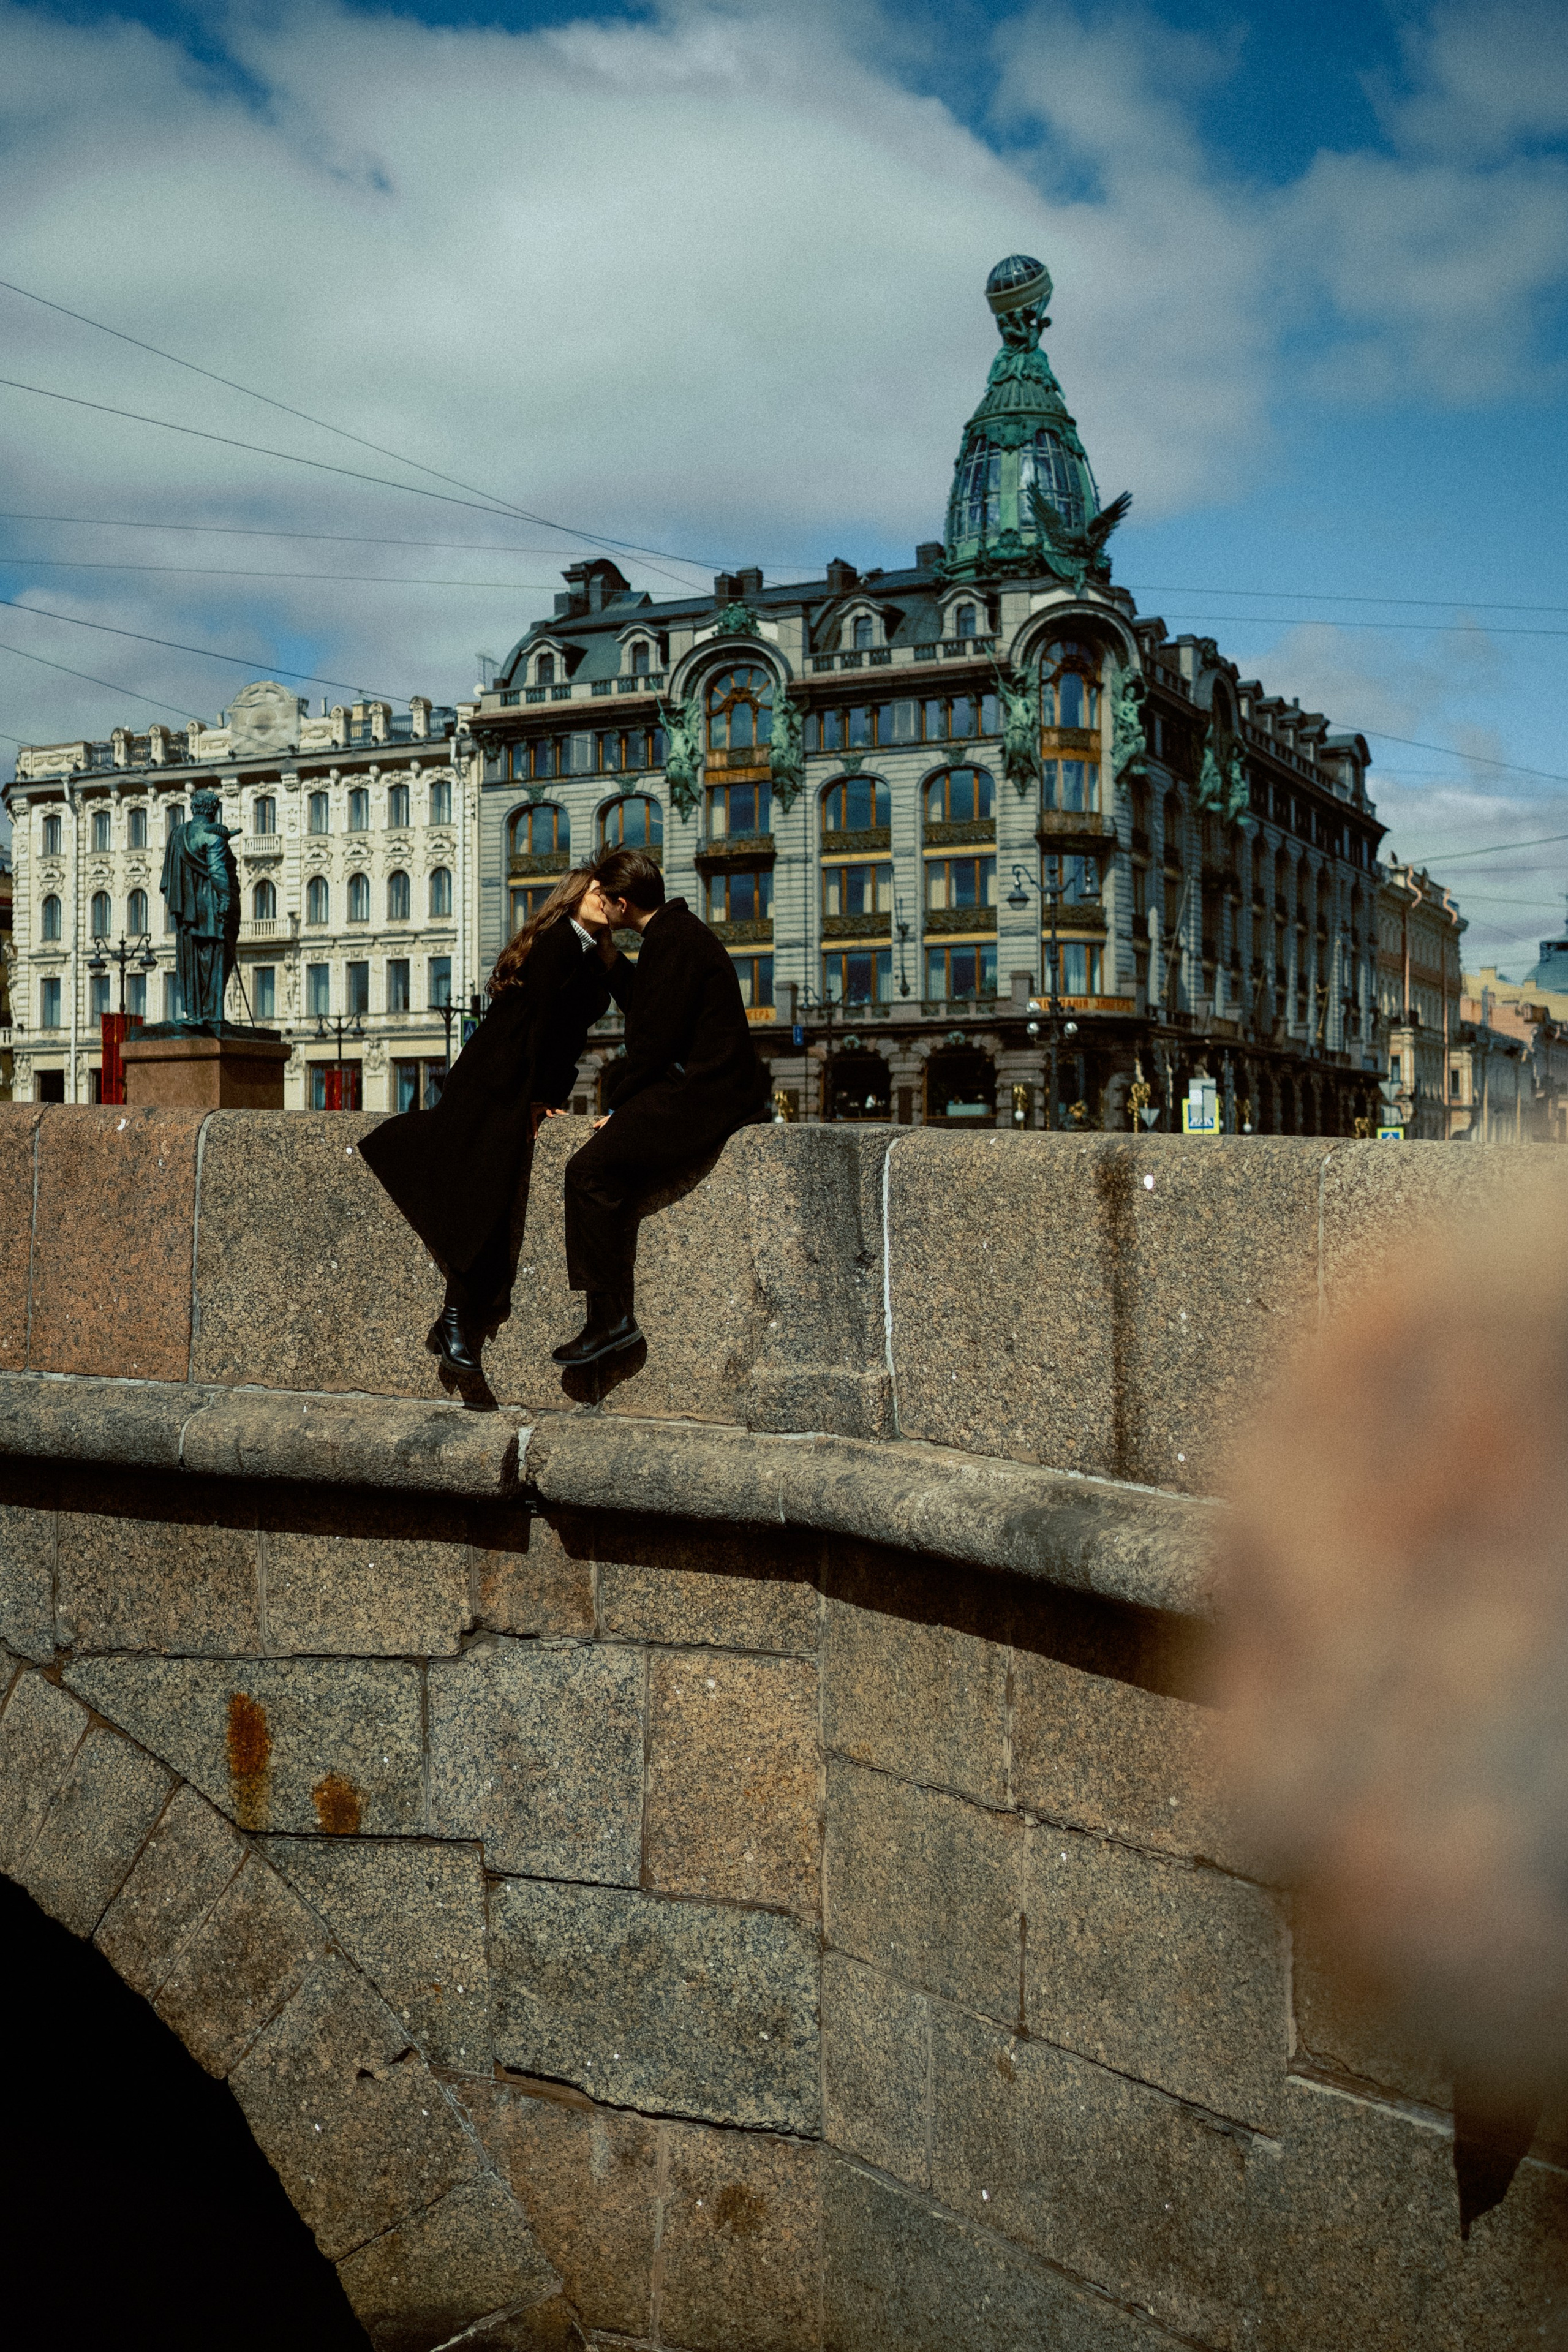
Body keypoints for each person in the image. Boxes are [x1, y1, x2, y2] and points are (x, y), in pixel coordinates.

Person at [360, 868, 629, 1374]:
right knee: (482, 1188)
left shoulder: (585, 950)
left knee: (487, 1188)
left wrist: (610, 953)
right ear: (572, 898)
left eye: (609, 896)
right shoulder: (559, 942)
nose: (605, 899)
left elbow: (591, 1016)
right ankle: (457, 1318)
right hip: (499, 1075)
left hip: (510, 1075)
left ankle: (456, 1321)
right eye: (595, 891)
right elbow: (544, 1026)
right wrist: (541, 1094)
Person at [553, 848, 769, 1367]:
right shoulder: (676, 932)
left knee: (588, 1172)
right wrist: (610, 961)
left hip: (704, 1097)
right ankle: (609, 1320)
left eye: (604, 897)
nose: (598, 904)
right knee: (605, 1169)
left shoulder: (671, 942)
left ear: (623, 903)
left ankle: (610, 1322)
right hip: (713, 1090)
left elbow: (652, 1042)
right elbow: (656, 1008)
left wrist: (623, 1106)